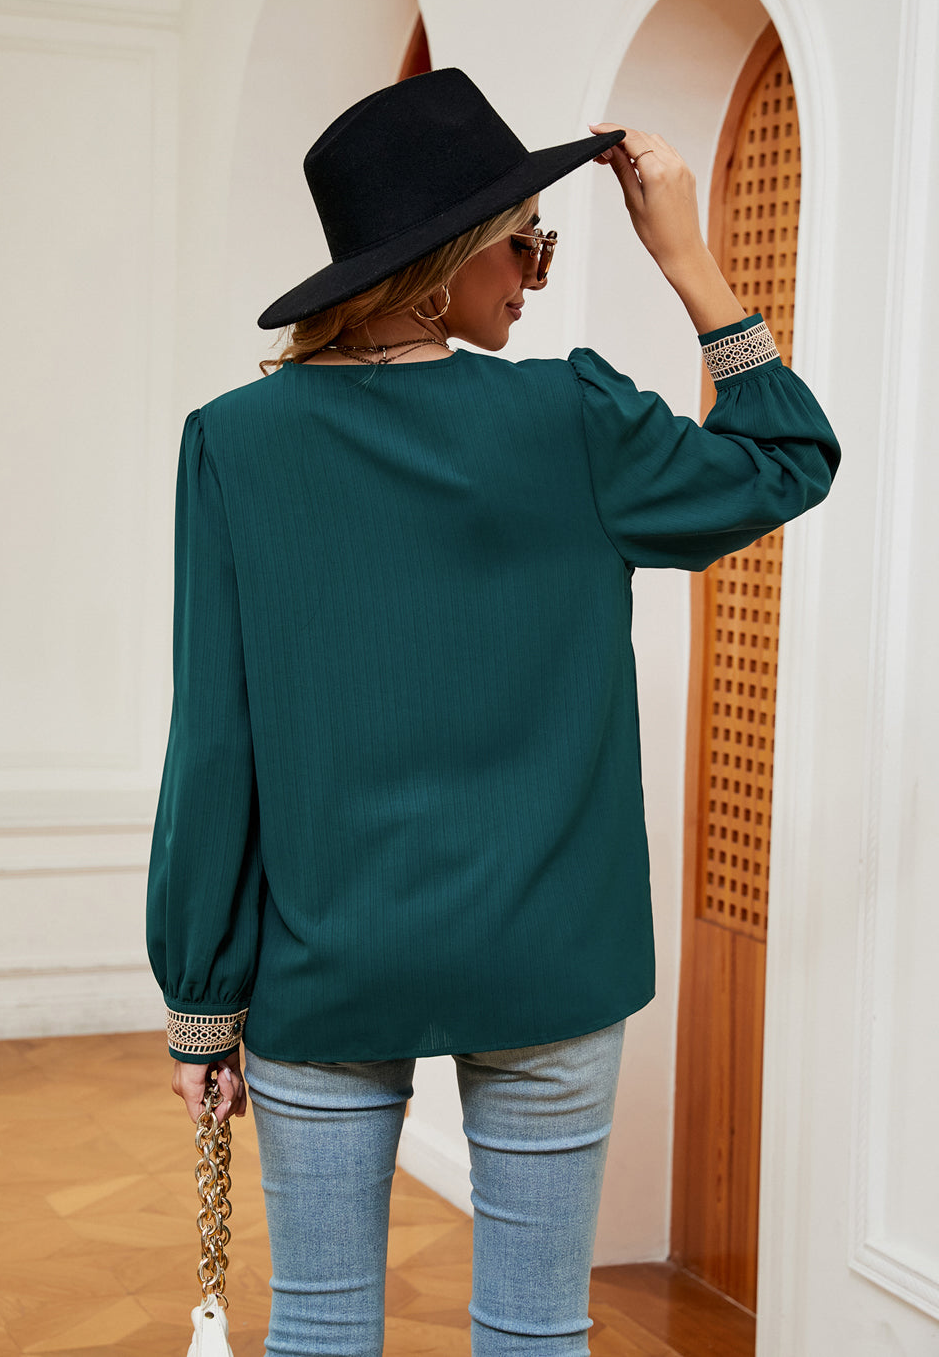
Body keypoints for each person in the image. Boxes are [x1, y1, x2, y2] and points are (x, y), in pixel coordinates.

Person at [147, 67, 839, 1357]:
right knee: (535, 1332)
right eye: (525, 242)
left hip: (324, 959)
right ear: (443, 265)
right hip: (549, 956)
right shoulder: (570, 419)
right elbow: (786, 458)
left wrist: (201, 998)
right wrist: (688, 261)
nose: (534, 271)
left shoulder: (235, 441)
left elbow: (214, 741)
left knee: (320, 1330)